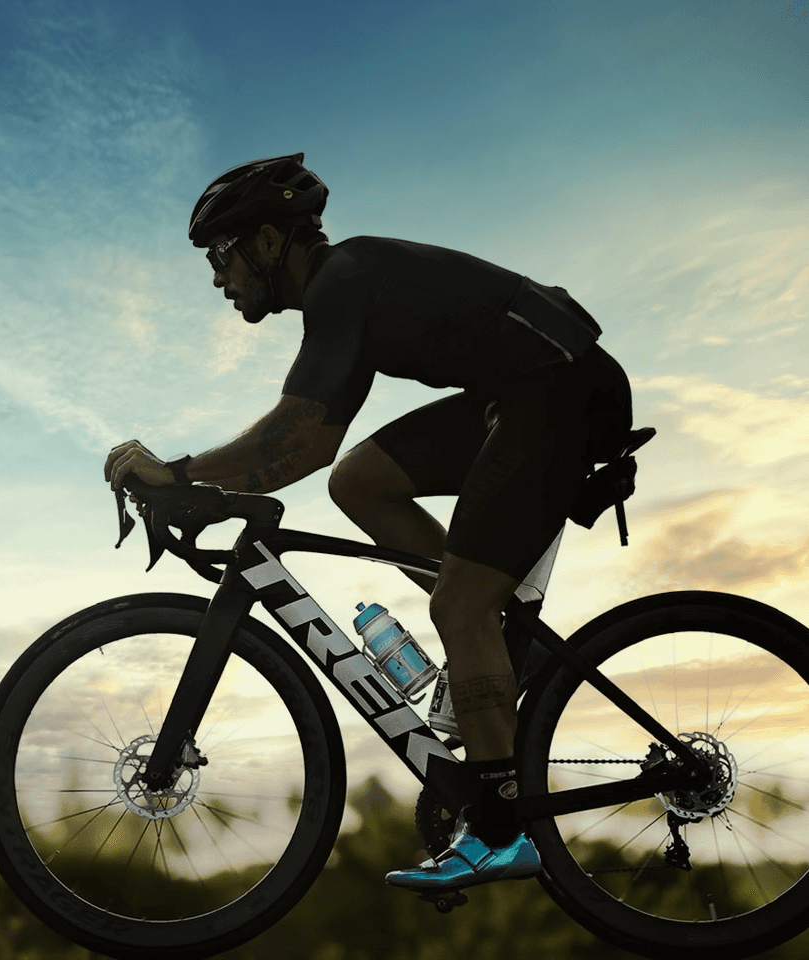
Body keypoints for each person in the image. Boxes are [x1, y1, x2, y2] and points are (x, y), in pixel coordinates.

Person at [103, 153, 632, 892]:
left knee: (458, 606)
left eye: (221, 256)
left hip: (561, 394)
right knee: (363, 480)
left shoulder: (342, 281)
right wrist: (200, 481)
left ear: (265, 241)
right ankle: (502, 638)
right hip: (519, 397)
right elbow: (320, 450)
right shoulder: (343, 291)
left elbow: (296, 438)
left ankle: (503, 829)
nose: (217, 279)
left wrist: (182, 474)